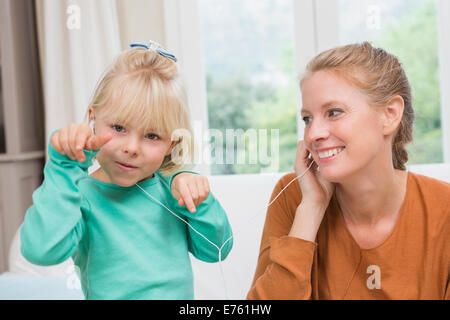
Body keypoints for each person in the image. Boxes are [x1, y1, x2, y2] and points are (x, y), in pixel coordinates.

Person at [20, 41, 233, 300]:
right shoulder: (81, 195)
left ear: (172, 144)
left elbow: (217, 251)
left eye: (152, 135)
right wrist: (64, 167)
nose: (132, 148)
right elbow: (41, 250)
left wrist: (202, 202)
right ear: (93, 119)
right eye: (119, 128)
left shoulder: (175, 189)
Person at [247, 42, 450, 299]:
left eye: (333, 112)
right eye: (307, 119)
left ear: (390, 114)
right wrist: (311, 209)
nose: (314, 134)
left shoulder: (444, 210)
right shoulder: (294, 198)